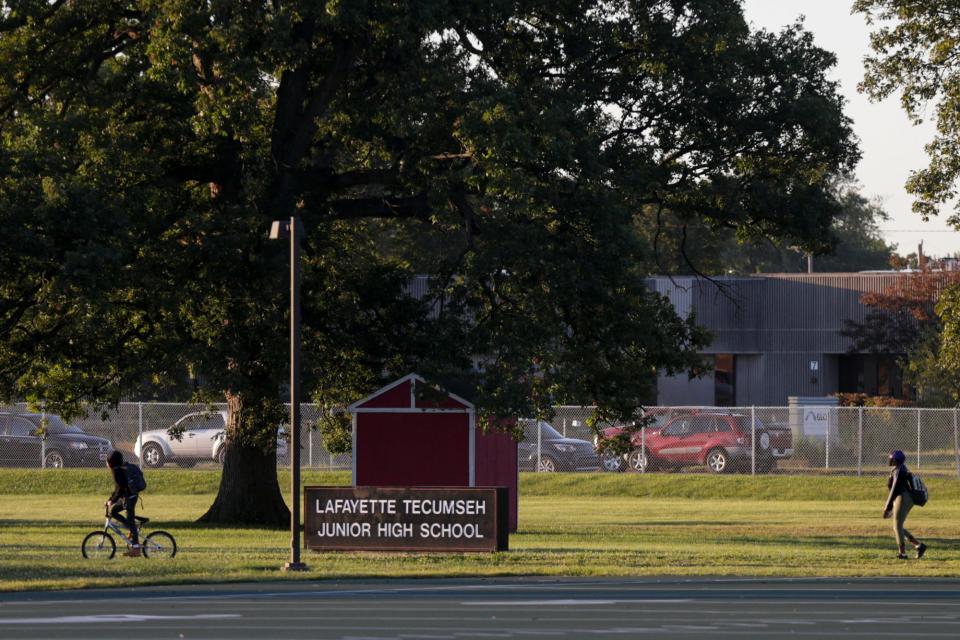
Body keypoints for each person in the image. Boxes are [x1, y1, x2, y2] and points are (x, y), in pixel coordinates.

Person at [883, 449, 927, 560]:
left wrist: (887, 508)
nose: (889, 460)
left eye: (891, 458)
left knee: (896, 526)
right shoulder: (899, 469)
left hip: (902, 498)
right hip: (903, 498)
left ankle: (902, 553)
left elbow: (894, 489)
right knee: (898, 526)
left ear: (896, 460)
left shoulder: (898, 470)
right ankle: (919, 546)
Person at [105, 450, 140, 557]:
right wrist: (110, 499)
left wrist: (113, 501)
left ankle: (136, 548)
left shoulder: (117, 471)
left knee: (130, 519)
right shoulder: (118, 470)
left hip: (130, 497)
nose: (106, 464)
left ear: (111, 462)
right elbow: (117, 489)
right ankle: (130, 528)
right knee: (114, 511)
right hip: (127, 496)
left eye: (107, 461)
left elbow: (120, 489)